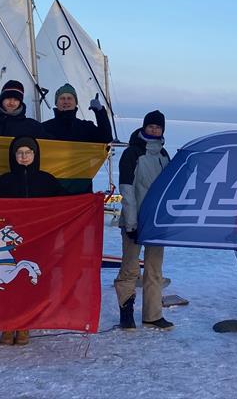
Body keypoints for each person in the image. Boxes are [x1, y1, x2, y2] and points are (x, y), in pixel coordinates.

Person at [0, 136, 65, 345]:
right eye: (20, 153)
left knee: (30, 283)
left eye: (28, 153)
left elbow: (65, 206)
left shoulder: (47, 181)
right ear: (14, 156)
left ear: (35, 155)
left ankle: (25, 324)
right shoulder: (3, 181)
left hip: (38, 242)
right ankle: (7, 324)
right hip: (10, 245)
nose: (24, 157)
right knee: (8, 285)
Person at [114, 110, 172, 331]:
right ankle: (126, 314)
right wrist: (130, 223)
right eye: (151, 126)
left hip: (156, 223)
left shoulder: (164, 155)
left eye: (158, 127)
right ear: (144, 127)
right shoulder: (132, 153)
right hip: (135, 221)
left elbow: (169, 190)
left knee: (154, 270)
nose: (154, 130)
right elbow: (127, 189)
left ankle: (152, 314)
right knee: (130, 269)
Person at [42, 83, 113, 143]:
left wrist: (99, 111)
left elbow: (106, 139)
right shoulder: (45, 128)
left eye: (69, 98)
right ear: (56, 103)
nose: (66, 101)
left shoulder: (86, 127)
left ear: (76, 103)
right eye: (62, 98)